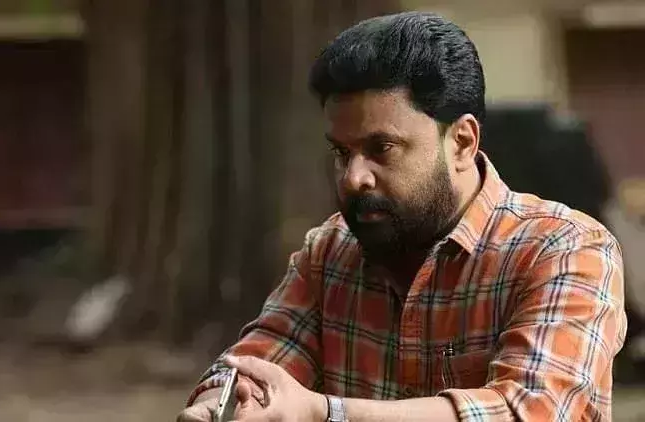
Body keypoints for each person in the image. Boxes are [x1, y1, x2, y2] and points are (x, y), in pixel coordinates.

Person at [177, 11, 627, 422]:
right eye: (342, 153)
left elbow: (530, 412)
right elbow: (258, 362)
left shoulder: (565, 250)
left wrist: (325, 413)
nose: (354, 178)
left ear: (462, 142)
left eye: (382, 148)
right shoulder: (331, 252)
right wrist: (220, 403)